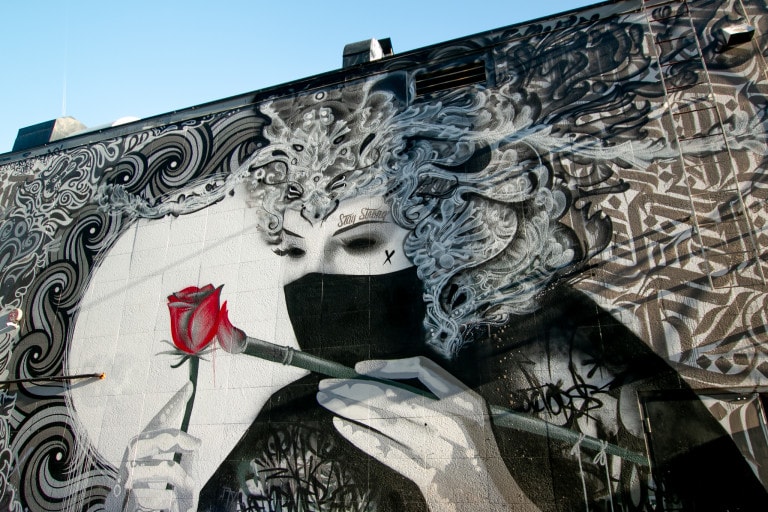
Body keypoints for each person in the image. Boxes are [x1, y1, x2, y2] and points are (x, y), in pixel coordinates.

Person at [113, 77, 767, 511]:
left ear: (431, 232)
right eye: (290, 250)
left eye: (361, 242)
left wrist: (485, 494)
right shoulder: (286, 418)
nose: (317, 280)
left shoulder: (550, 351)